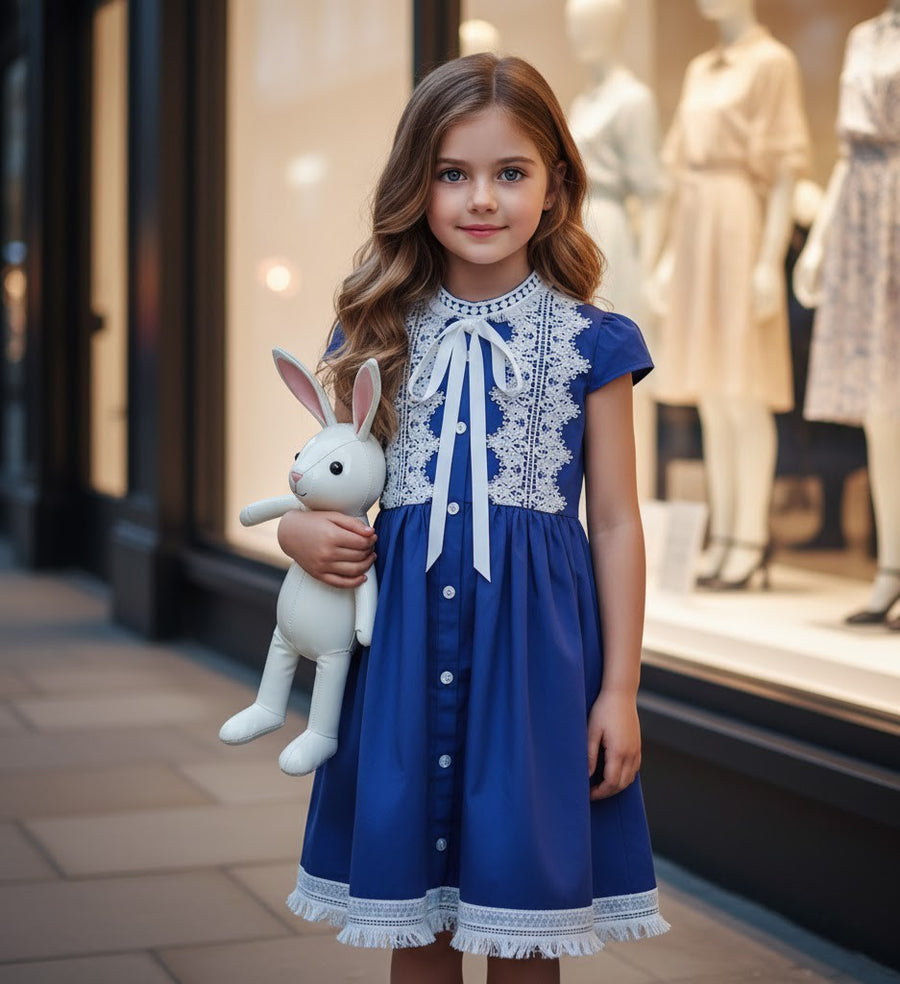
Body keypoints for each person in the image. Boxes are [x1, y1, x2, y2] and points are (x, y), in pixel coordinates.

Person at [277, 53, 669, 983]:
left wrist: (619, 690)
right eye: (453, 173)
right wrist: (299, 531)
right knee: (415, 925)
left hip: (534, 671)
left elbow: (614, 522)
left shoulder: (594, 343)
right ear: (418, 182)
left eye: (510, 173)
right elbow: (325, 480)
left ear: (556, 185)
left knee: (523, 919)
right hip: (403, 658)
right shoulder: (376, 330)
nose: (481, 199)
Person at [649, 0, 811, 590]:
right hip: (696, 228)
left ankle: (751, 537)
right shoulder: (698, 69)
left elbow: (788, 169)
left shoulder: (773, 62)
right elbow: (673, 167)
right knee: (713, 398)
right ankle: (721, 537)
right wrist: (666, 255)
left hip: (740, 222)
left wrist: (770, 258)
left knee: (744, 391)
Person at [793, 2, 900, 629]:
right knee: (880, 411)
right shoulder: (863, 37)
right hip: (863, 213)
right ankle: (889, 570)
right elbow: (845, 151)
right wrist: (824, 237)